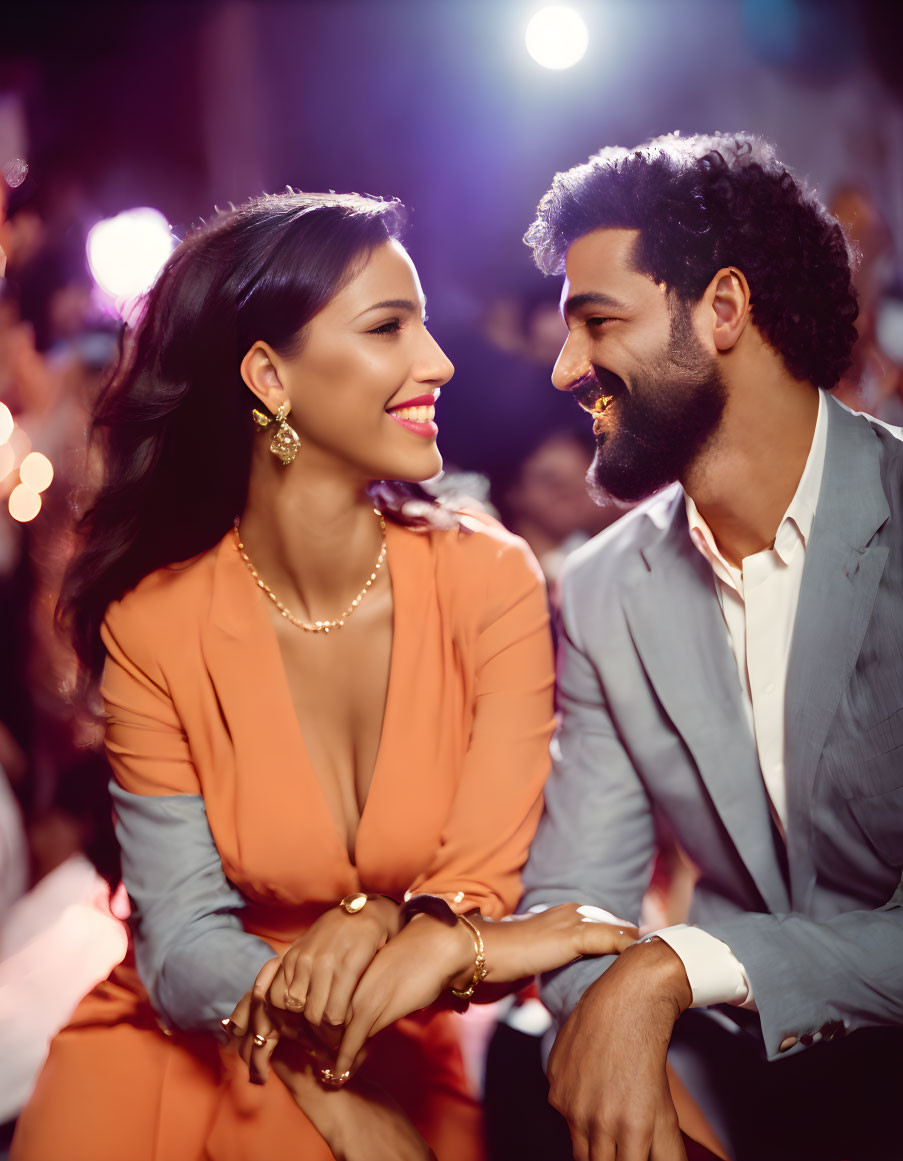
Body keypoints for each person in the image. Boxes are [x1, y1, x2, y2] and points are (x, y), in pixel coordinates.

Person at [11, 191, 638, 1161]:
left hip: (392, 1035)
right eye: (390, 327)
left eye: (424, 324)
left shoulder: (492, 582)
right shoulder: (155, 624)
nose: (439, 361)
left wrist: (381, 913)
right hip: (180, 1050)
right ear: (269, 376)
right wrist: (323, 1092)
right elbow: (178, 945)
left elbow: (475, 885)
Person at [520, 133, 903, 1161]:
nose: (566, 369)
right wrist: (651, 1070)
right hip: (752, 1085)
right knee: (528, 1077)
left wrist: (677, 966)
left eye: (597, 322)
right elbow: (571, 907)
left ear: (723, 310)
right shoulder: (602, 590)